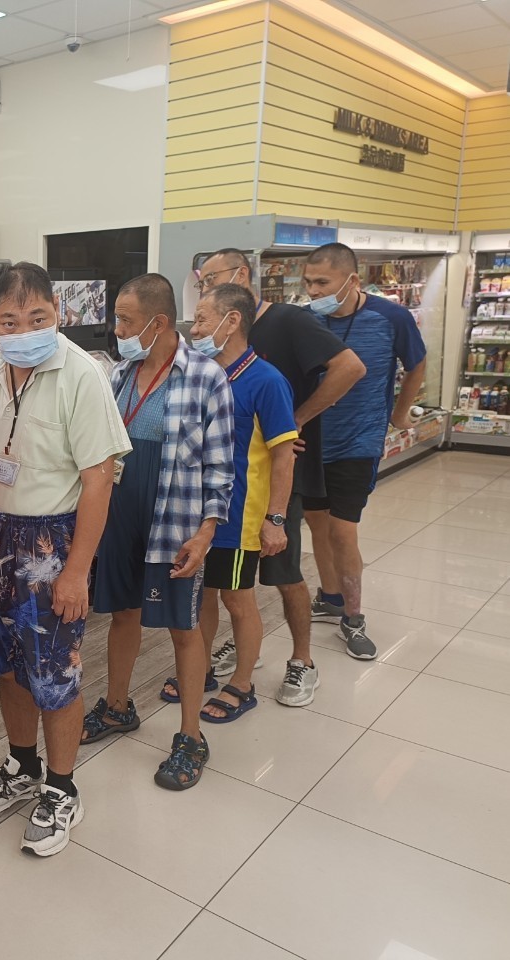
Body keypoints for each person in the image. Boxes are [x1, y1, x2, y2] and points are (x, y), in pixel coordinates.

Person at [0, 262, 131, 856]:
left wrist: (77, 570)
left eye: (38, 317)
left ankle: (61, 787)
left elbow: (99, 479)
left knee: (56, 673)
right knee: (8, 665)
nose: (25, 330)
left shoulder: (81, 374)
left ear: (57, 313)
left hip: (49, 543)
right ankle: (22, 764)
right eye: (10, 320)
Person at [82, 274, 234, 791]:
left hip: (174, 515)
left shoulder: (207, 378)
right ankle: (117, 706)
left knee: (183, 627)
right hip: (120, 509)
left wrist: (206, 532)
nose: (118, 330)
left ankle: (191, 736)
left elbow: (221, 466)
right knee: (122, 614)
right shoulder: (120, 373)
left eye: (126, 321)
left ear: (160, 322)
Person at [195, 249, 364, 706]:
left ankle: (301, 659)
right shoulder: (208, 367)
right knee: (219, 590)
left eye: (209, 279)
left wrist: (293, 424)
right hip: (219, 499)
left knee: (282, 576)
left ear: (239, 277)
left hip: (266, 488)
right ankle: (223, 659)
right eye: (201, 282)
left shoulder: (287, 325)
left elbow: (351, 367)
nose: (203, 289)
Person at [301, 242, 427, 660]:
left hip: (359, 440)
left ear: (352, 280)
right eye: (308, 282)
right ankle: (330, 597)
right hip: (312, 441)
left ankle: (353, 617)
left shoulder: (391, 317)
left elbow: (417, 363)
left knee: (342, 530)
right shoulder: (306, 319)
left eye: (323, 282)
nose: (314, 290)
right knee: (316, 524)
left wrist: (400, 412)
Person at [187, 284, 298, 723]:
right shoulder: (201, 373)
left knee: (238, 598)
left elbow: (284, 455)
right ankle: (201, 669)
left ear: (232, 321)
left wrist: (275, 519)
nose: (194, 329)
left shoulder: (265, 381)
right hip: (197, 512)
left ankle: (242, 683)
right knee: (202, 595)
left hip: (238, 516)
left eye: (201, 319)